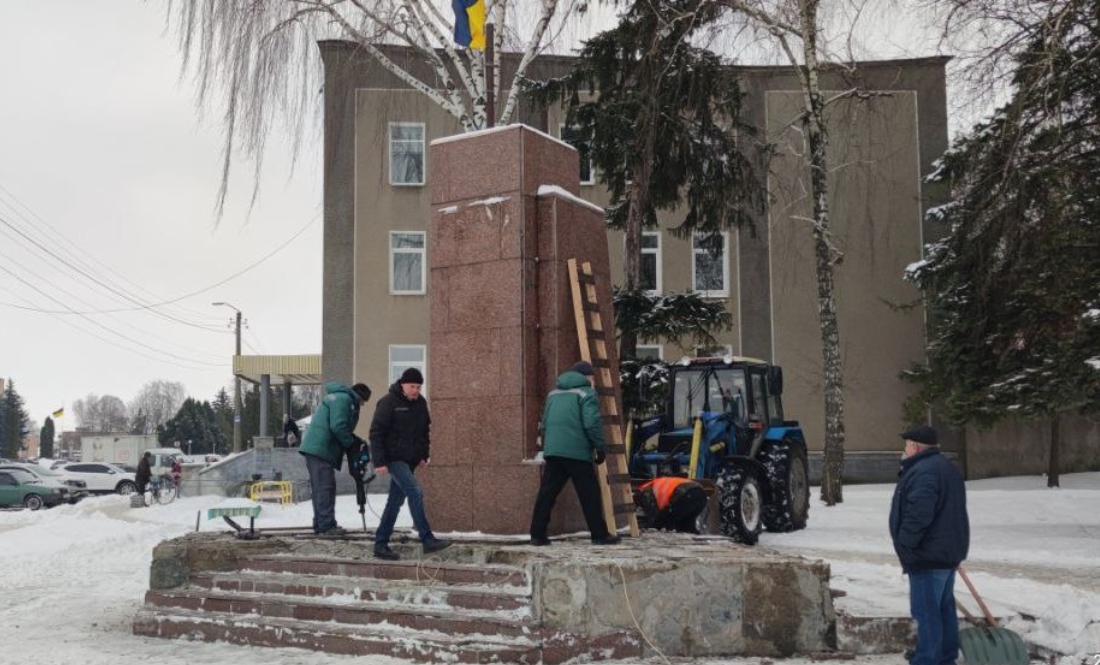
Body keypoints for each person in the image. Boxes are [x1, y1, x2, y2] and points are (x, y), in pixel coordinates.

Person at [889, 425, 970, 665]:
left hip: (927, 553)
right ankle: (945, 657)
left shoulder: (924, 472)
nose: (904, 450)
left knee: (926, 612)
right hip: (945, 552)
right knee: (943, 608)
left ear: (915, 446)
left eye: (906, 445)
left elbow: (919, 514)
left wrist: (905, 543)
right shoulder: (945, 467)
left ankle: (927, 660)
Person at [529, 361, 621, 546]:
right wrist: (599, 446)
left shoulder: (553, 394)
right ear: (586, 376)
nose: (593, 380)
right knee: (589, 494)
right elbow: (591, 423)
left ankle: (537, 535)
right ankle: (599, 534)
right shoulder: (586, 393)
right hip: (577, 452)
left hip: (554, 451)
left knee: (547, 493)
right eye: (592, 377)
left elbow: (545, 421)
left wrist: (549, 445)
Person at [369, 368, 450, 560]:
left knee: (394, 502)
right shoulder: (388, 402)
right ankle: (427, 539)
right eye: (412, 386)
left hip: (411, 460)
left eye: (418, 387)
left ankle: (380, 544)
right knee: (415, 491)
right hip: (394, 458)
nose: (415, 390)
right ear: (403, 385)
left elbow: (424, 432)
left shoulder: (421, 403)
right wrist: (379, 461)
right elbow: (376, 433)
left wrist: (424, 455)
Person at [299, 381, 372, 537]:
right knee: (325, 487)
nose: (363, 405)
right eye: (364, 402)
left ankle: (321, 523)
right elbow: (338, 426)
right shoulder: (344, 400)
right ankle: (326, 526)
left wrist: (354, 441)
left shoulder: (341, 399)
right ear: (360, 397)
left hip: (320, 449)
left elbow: (340, 427)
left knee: (322, 487)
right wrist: (351, 444)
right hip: (320, 449)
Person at [635, 476, 708, 534]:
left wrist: (650, 526)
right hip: (701, 494)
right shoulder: (654, 484)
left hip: (685, 494)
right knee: (685, 526)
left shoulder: (644, 491)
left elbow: (654, 514)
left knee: (664, 519)